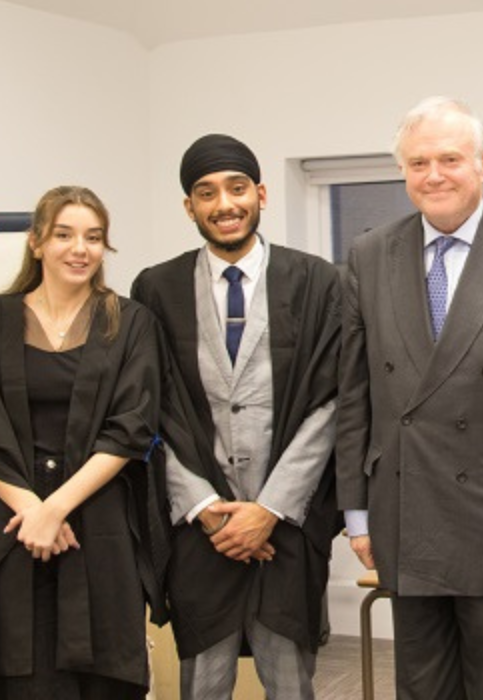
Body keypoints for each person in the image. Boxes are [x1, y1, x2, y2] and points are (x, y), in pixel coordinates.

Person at [336, 96, 483, 699]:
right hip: (403, 506)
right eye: (418, 162)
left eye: (449, 158)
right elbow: (353, 398)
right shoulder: (370, 256)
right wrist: (356, 512)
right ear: (403, 171)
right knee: (422, 686)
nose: (434, 175)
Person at [0, 186, 169, 698]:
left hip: (98, 523)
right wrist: (32, 510)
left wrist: (56, 508)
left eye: (94, 236)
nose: (79, 248)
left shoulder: (130, 325)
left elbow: (132, 426)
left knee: (102, 672)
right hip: (8, 525)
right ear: (36, 241)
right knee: (12, 670)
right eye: (64, 234)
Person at [131, 134, 340, 700]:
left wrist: (270, 508)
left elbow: (332, 402)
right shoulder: (155, 288)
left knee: (290, 680)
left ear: (261, 194)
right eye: (206, 193)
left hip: (286, 526)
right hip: (201, 529)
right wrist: (203, 507)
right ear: (189, 207)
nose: (224, 203)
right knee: (203, 682)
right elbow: (146, 409)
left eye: (237, 188)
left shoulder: (318, 282)